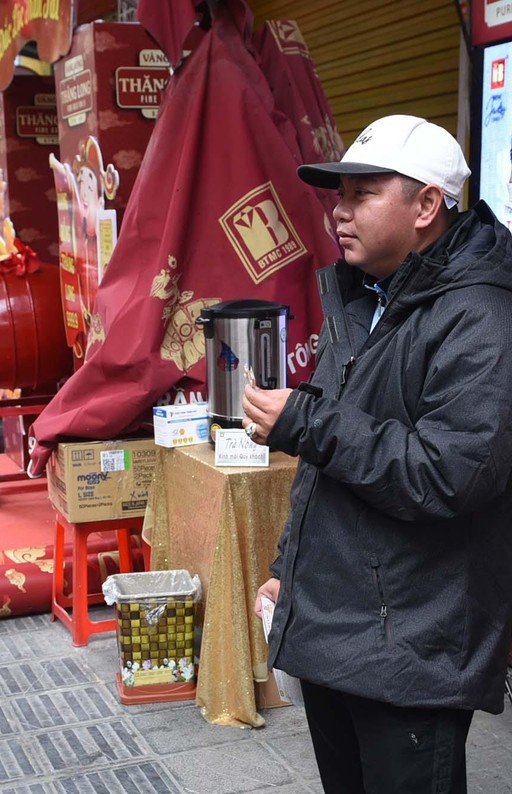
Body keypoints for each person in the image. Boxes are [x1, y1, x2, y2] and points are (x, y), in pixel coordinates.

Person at [245, 115, 512, 793]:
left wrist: (305, 421)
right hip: (338, 629)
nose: (339, 211)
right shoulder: (363, 296)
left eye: (363, 193)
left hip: (411, 648)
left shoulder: (481, 315)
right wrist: (288, 569)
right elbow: (332, 463)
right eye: (339, 195)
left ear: (427, 205)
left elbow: (448, 474)